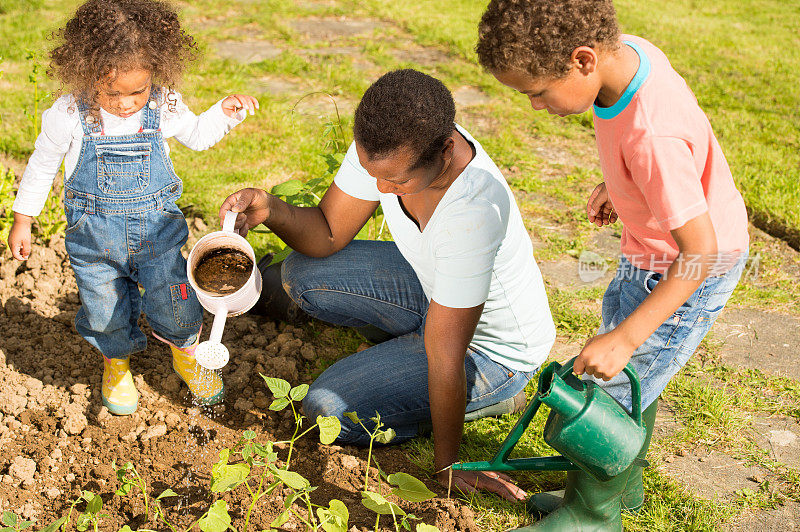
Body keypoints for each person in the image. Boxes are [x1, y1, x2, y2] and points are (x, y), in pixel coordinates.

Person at [219, 68, 556, 501]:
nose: (380, 189)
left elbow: (447, 352)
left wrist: (449, 465)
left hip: (488, 349)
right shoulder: (393, 144)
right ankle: (404, 351)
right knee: (303, 275)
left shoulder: (471, 214)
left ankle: (491, 397)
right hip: (435, 289)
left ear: (446, 151)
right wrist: (270, 208)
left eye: (396, 182)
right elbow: (326, 232)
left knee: (327, 409)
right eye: (370, 171)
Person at [476, 0, 749, 529]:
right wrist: (628, 190)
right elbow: (670, 164)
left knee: (614, 387)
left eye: (536, 91)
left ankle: (592, 514)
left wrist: (626, 338)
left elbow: (701, 249)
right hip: (654, 249)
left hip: (687, 271)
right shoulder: (630, 57)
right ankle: (623, 490)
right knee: (634, 382)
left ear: (582, 60)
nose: (535, 105)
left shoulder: (653, 135)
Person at [7, 0, 259, 416]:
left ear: (154, 76)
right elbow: (41, 164)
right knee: (104, 310)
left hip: (158, 238)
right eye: (113, 92)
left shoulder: (163, 106)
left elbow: (197, 135)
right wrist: (23, 219)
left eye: (137, 91)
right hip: (94, 245)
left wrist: (224, 114)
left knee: (176, 303)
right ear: (87, 74)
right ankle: (117, 363)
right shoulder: (69, 114)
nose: (126, 104)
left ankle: (186, 353)